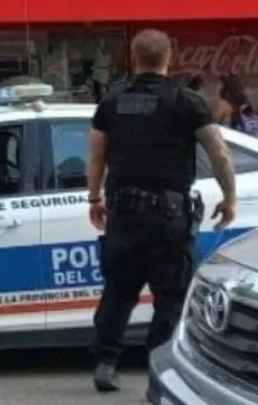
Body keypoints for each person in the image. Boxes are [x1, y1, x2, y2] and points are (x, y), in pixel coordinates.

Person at [86, 29, 236, 394]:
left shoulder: (112, 102)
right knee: (170, 298)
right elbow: (218, 152)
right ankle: (158, 366)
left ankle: (106, 364)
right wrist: (229, 196)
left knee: (118, 293)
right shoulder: (187, 102)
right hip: (169, 219)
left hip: (124, 216)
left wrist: (94, 198)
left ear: (133, 59)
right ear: (170, 57)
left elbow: (96, 156)